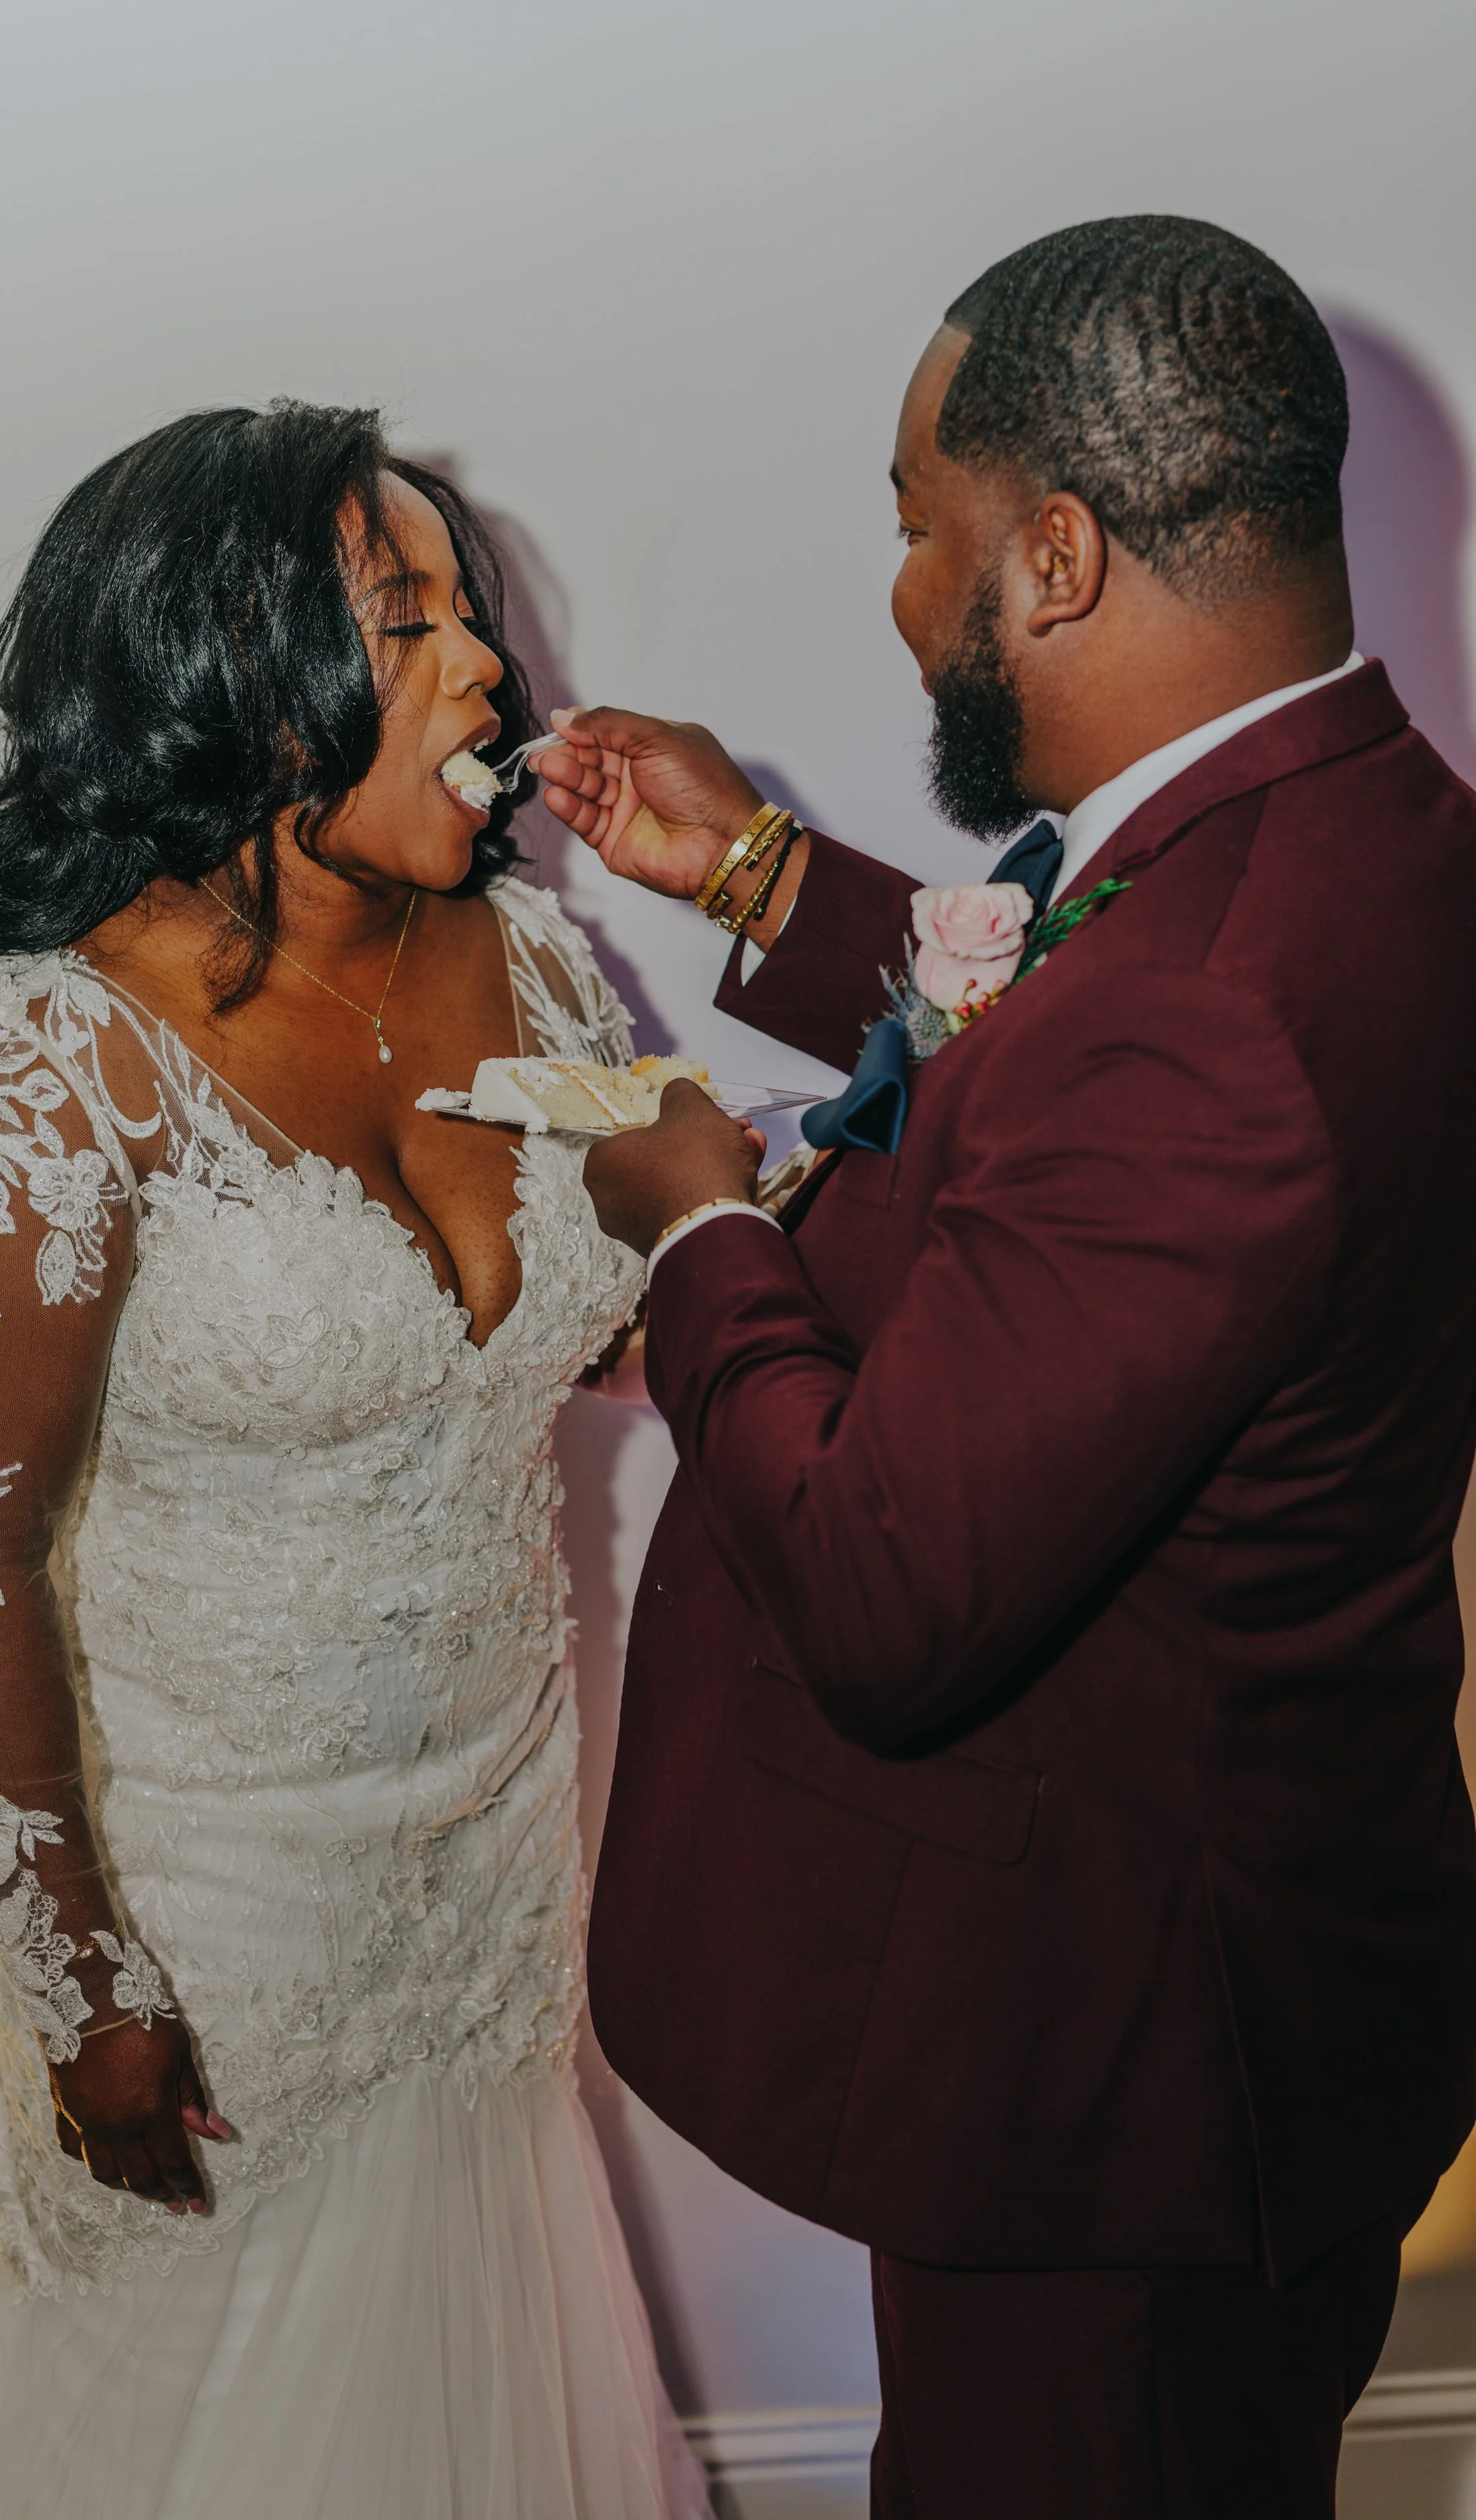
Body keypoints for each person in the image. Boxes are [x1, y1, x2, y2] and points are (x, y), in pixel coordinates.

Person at [536, 215, 1476, 2519]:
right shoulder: (1372, 832)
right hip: (1238, 1992)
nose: (894, 584)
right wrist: (763, 877)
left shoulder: (1211, 1005)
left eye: (908, 523)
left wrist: (703, 1228)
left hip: (1119, 2105)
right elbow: (1085, 1083)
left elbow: (881, 1584)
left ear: (1051, 556)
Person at [0, 403, 706, 2520]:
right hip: (221, 1942)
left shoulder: (541, 959)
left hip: (492, 1885)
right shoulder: (51, 1066)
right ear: (224, 676)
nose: (482, 665)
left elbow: (616, 1309)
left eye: (467, 612)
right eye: (405, 623)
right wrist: (79, 1983)